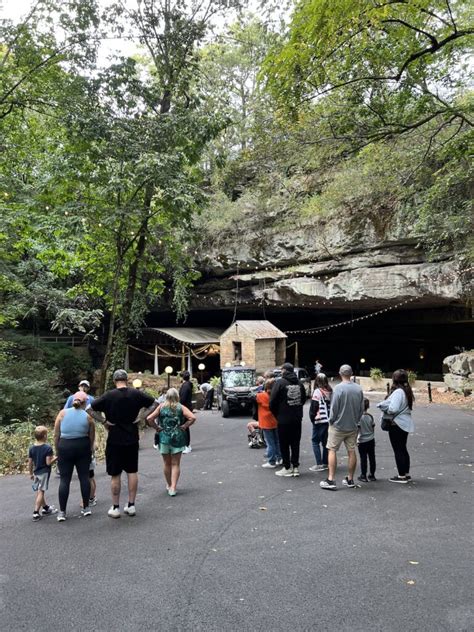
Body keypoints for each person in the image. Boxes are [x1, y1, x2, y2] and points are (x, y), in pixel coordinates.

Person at [90, 369, 156, 518]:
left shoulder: (109, 396)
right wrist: (141, 417)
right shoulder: (136, 394)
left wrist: (104, 421)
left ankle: (115, 507)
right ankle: (131, 505)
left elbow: (90, 409)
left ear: (114, 381)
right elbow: (155, 403)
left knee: (115, 474)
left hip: (114, 438)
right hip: (132, 437)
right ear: (126, 380)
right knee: (132, 472)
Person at [320, 364, 364, 491]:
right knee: (351, 451)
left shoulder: (338, 388)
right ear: (351, 374)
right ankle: (350, 479)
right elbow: (361, 408)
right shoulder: (358, 389)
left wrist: (331, 421)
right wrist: (356, 420)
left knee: (332, 450)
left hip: (338, 426)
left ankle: (331, 479)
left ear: (340, 374)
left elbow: (334, 408)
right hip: (352, 426)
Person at [54, 391, 95, 521]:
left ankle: (62, 512)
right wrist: (90, 450)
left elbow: (56, 435)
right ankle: (86, 508)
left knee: (64, 480)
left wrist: (57, 449)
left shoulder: (62, 413)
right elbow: (91, 437)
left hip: (65, 446)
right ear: (85, 402)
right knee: (84, 477)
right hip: (82, 446)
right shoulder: (88, 417)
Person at [146, 388, 196, 496]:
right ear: (177, 396)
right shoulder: (180, 407)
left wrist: (157, 428)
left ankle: (169, 484)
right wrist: (184, 426)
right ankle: (173, 487)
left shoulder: (161, 407)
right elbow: (192, 417)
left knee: (166, 463)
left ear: (166, 396)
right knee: (176, 463)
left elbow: (149, 418)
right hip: (177, 437)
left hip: (164, 437)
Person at [377, 369, 415, 483]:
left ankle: (401, 475)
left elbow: (393, 408)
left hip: (397, 424)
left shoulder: (398, 392)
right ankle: (406, 473)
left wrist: (384, 407)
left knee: (398, 450)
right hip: (405, 423)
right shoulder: (407, 390)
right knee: (403, 449)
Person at [270, 362, 306, 477]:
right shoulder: (300, 384)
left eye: (281, 370)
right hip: (296, 418)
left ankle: (287, 467)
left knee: (284, 444)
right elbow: (303, 399)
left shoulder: (280, 383)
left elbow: (272, 402)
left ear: (284, 371)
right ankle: (295, 467)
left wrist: (277, 414)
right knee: (295, 443)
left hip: (283, 419)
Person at [28, 426, 57, 521]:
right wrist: (57, 457)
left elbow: (30, 462)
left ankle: (45, 508)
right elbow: (48, 463)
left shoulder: (32, 448)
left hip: (36, 472)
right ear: (44, 436)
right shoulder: (47, 448)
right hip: (44, 472)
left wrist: (31, 473)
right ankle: (36, 512)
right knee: (41, 491)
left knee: (39, 490)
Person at [308, 373, 332, 472]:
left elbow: (314, 407)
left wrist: (312, 419)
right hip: (328, 420)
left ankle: (319, 464)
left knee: (315, 442)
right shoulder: (330, 391)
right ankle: (326, 463)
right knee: (325, 442)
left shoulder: (317, 391)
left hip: (319, 420)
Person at [257, 379, 282, 468]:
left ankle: (272, 461)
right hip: (276, 420)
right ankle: (280, 458)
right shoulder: (277, 396)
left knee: (270, 443)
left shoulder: (261, 395)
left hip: (266, 422)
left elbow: (253, 397)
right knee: (277, 441)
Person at [357, 398, 376, 483]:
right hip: (371, 439)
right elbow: (372, 427)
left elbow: (357, 429)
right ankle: (372, 474)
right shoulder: (370, 416)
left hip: (362, 440)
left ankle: (363, 475)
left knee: (363, 458)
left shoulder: (358, 417)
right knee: (372, 457)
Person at [179, 371, 193, 454]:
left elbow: (182, 399)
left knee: (185, 426)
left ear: (182, 377)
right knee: (185, 426)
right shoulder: (189, 384)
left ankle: (187, 445)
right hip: (188, 407)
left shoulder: (185, 386)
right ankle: (187, 445)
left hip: (184, 408)